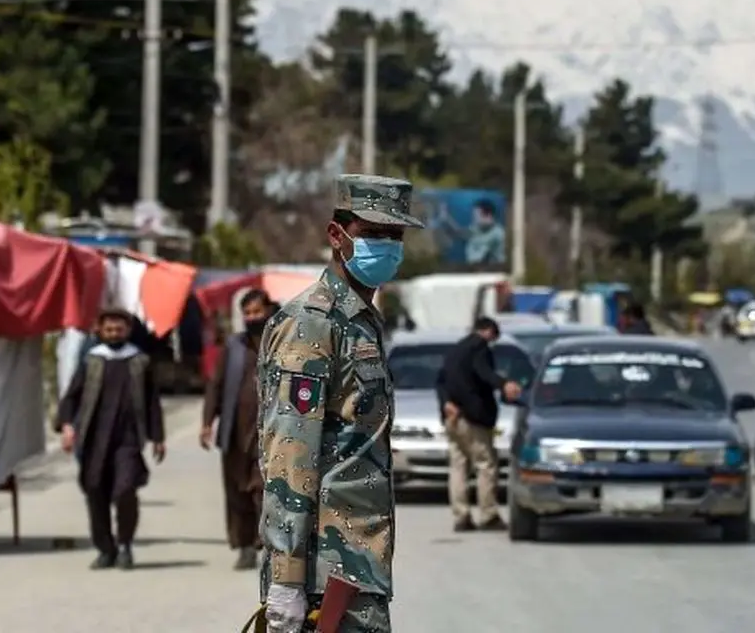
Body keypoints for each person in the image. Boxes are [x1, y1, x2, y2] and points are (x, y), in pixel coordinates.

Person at [258, 174, 423, 633]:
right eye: (374, 234)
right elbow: (289, 457)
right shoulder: (312, 323)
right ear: (337, 235)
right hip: (320, 574)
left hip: (356, 566)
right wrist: (287, 581)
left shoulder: (361, 320)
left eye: (395, 236)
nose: (387, 247)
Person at [58, 309, 167, 570]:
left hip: (127, 439)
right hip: (94, 439)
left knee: (125, 489)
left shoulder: (139, 361)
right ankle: (105, 549)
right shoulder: (92, 361)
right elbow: (72, 396)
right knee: (95, 491)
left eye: (119, 330)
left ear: (127, 331)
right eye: (109, 330)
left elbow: (152, 401)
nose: (114, 335)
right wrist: (67, 427)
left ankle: (125, 544)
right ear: (100, 331)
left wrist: (158, 437)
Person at [199, 288, 275, 570]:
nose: (252, 318)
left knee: (263, 491)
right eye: (247, 313)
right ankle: (244, 546)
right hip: (234, 433)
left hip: (271, 434)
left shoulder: (282, 342)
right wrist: (208, 422)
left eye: (257, 311)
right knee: (236, 494)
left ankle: (266, 545)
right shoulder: (233, 347)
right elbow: (215, 386)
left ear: (269, 310)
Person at [436, 316, 523, 532]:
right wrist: (504, 384)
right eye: (493, 337)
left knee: (458, 466)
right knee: (486, 464)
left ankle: (461, 515)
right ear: (488, 331)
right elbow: (484, 373)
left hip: (452, 417)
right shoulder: (479, 348)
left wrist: (447, 403)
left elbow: (440, 381)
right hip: (473, 418)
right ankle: (488, 514)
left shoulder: (454, 351)